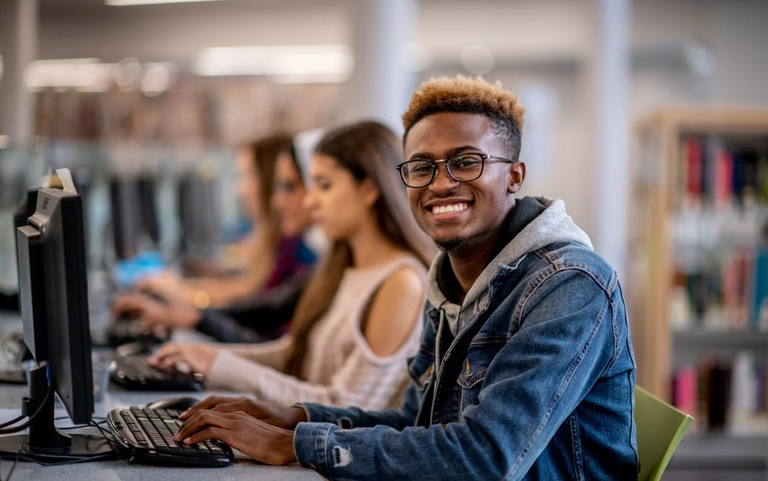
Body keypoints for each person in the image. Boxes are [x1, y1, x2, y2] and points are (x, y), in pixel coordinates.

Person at [171, 75, 638, 480]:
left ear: (514, 175)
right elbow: (418, 422)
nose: (440, 183)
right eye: (422, 167)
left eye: (466, 162)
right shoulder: (451, 280)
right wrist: (291, 418)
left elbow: (485, 457)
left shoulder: (569, 285)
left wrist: (295, 444)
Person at [149, 120, 435, 410]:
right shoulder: (344, 268)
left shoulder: (401, 282)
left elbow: (346, 407)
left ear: (369, 189)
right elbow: (294, 354)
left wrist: (220, 365)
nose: (310, 202)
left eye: (324, 185)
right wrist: (209, 357)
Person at [111, 133, 320, 343]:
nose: (240, 189)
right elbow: (256, 305)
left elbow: (257, 313)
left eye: (248, 175)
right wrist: (187, 306)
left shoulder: (299, 251)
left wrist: (188, 300)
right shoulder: (293, 248)